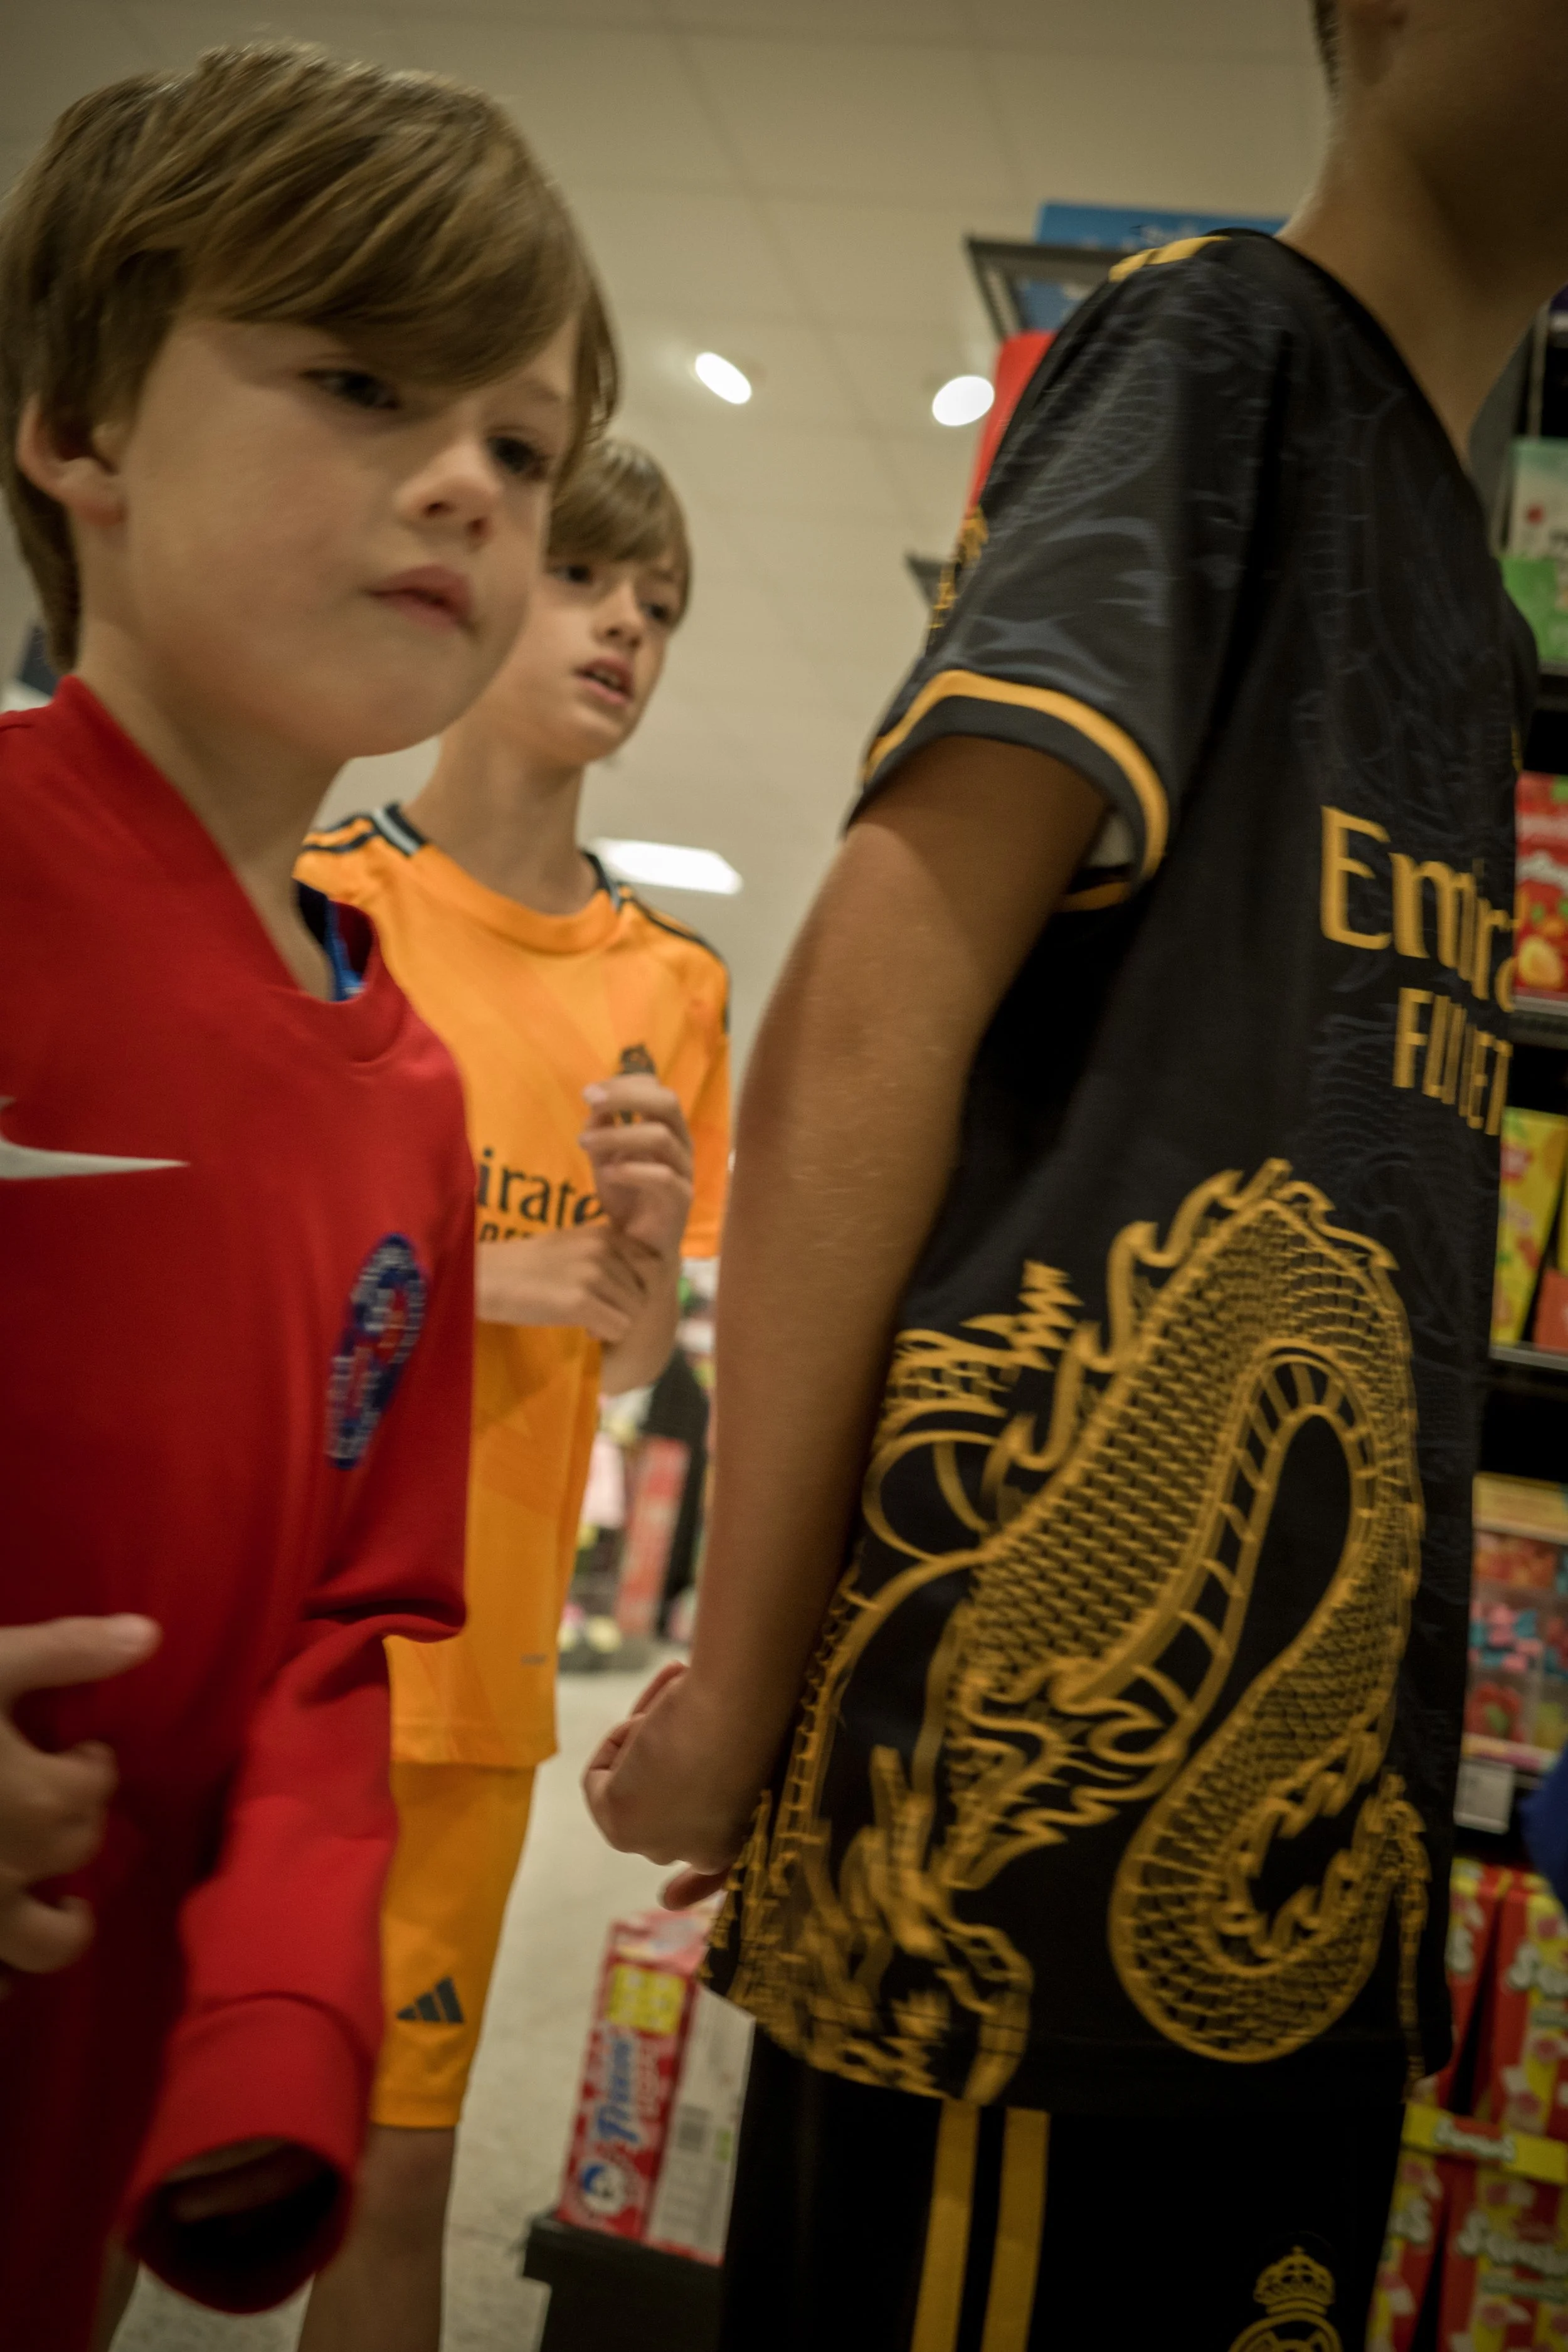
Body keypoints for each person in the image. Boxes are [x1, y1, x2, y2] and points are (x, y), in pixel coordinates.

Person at [585, 3, 1568, 2346]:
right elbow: (868, 996)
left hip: (1291, 1922)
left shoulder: (1459, 575)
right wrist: (738, 1667)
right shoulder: (1224, 352)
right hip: (1004, 1902)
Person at [0, 41, 614, 2352]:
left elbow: (342, 1628)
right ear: (81, 427)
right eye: (364, 382)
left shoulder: (408, 1100)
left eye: (522, 446)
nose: (463, 480)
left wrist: (272, 2028)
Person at [293, 437, 729, 2352]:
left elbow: (626, 1358)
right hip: (256, 1640)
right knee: (119, 2136)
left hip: (468, 1677)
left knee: (395, 2175)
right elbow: (208, 1287)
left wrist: (629, 1268)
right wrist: (487, 1274)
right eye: (588, 581)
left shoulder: (675, 988)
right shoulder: (314, 898)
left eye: (658, 606)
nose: (625, 624)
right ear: (478, 585)